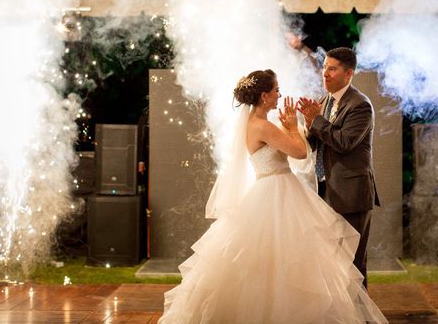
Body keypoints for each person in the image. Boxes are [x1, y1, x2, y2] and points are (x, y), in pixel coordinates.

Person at [159, 69, 387, 324]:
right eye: (276, 90)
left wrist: (292, 126)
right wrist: (291, 126)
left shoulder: (251, 124)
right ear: (265, 96)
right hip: (278, 191)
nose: (280, 94)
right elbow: (300, 153)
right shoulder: (264, 127)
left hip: (268, 190)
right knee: (287, 257)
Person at [298, 47, 380, 289]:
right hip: (327, 192)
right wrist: (305, 123)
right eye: (324, 68)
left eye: (332, 69)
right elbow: (317, 143)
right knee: (331, 263)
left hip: (352, 195)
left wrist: (317, 120)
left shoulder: (360, 105)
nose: (325, 74)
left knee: (353, 264)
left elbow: (344, 143)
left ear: (348, 73)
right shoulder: (325, 102)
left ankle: (360, 316)